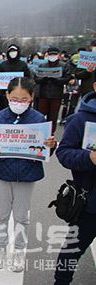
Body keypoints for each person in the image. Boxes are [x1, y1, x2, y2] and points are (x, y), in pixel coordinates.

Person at [0, 77, 57, 272]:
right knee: (1, 214)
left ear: (31, 98)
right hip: (2, 172)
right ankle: (1, 246)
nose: (18, 103)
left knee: (21, 215)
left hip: (27, 174)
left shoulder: (39, 119)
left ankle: (19, 250)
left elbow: (45, 150)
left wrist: (50, 146)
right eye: (15, 98)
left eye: (23, 99)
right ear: (7, 96)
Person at [54, 79, 96, 285]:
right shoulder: (81, 119)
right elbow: (63, 153)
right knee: (72, 251)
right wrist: (89, 158)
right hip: (90, 203)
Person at [35, 47, 70, 133]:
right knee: (41, 116)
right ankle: (40, 132)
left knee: (53, 117)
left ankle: (51, 133)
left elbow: (67, 78)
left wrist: (57, 80)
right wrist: (44, 79)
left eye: (54, 54)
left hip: (56, 95)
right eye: (50, 54)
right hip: (43, 94)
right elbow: (36, 79)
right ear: (47, 55)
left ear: (58, 55)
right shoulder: (42, 65)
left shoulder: (63, 65)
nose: (52, 56)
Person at [0, 44, 32, 111]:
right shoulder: (3, 64)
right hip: (5, 94)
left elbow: (28, 78)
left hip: (20, 93)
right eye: (11, 51)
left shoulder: (23, 64)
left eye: (14, 51)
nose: (12, 53)